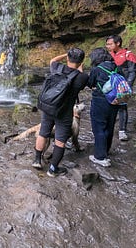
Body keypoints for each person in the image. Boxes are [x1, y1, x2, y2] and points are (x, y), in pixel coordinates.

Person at [32, 48, 89, 177]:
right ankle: (53, 169)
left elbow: (52, 60)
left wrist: (65, 55)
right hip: (64, 112)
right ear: (81, 62)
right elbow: (80, 76)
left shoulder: (57, 67)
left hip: (48, 107)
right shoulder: (82, 77)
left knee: (43, 133)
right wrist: (80, 66)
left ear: (68, 58)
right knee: (60, 141)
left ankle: (37, 160)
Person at [87, 48, 123, 167]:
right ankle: (105, 150)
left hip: (100, 101)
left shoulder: (96, 69)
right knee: (109, 126)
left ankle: (100, 157)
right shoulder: (116, 66)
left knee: (99, 127)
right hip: (115, 101)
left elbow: (90, 83)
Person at [105, 35, 136, 141]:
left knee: (122, 106)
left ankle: (122, 131)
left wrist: (128, 85)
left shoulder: (128, 55)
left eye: (110, 44)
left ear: (118, 43)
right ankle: (107, 127)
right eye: (107, 44)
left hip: (122, 85)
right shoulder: (108, 55)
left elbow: (132, 72)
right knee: (108, 104)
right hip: (109, 84)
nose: (108, 46)